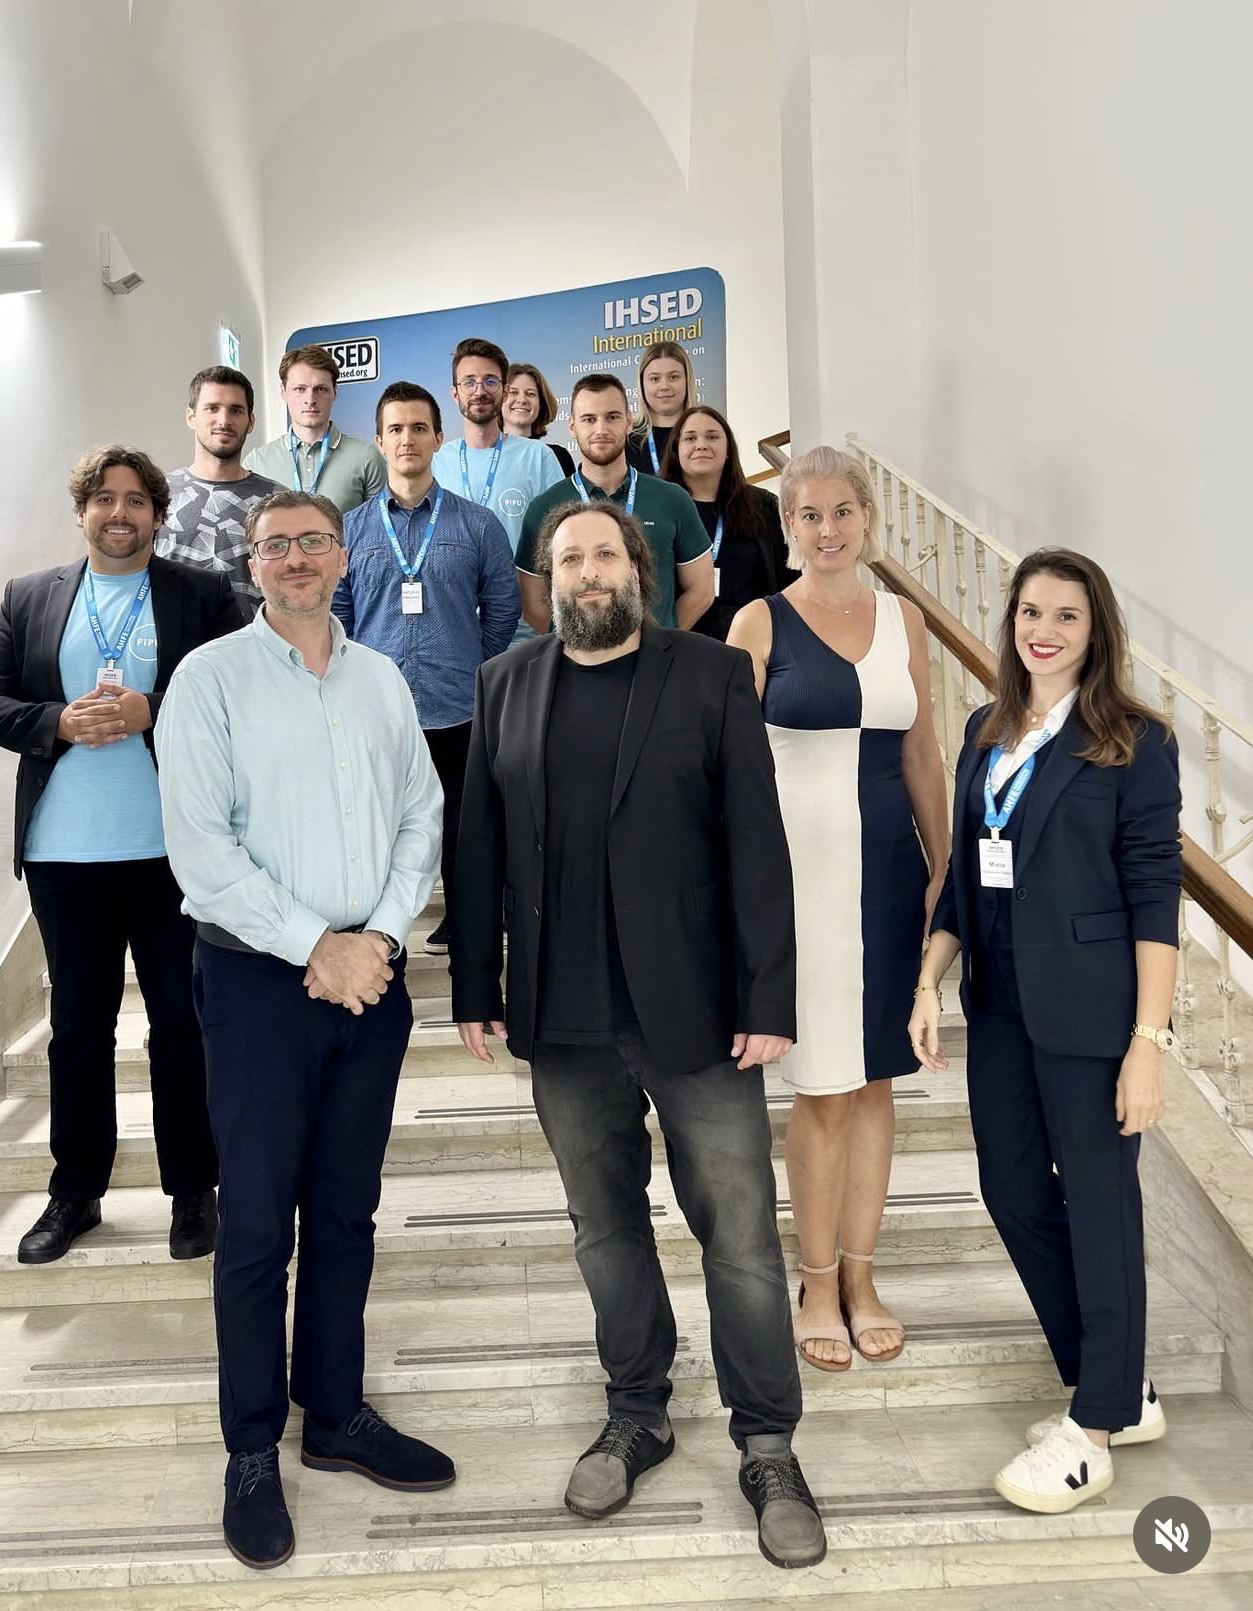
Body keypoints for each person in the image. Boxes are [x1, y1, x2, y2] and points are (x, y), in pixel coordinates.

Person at [453, 500, 826, 1571]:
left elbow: (757, 840)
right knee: (604, 1227)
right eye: (568, 557)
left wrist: (768, 996)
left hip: (696, 1013)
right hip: (563, 1018)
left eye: (604, 553)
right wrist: (476, 982)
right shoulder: (504, 683)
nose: (587, 571)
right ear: (547, 579)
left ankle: (768, 1443)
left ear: (639, 568)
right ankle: (638, 1411)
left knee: (740, 1236)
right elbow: (476, 845)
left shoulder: (711, 675)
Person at [157, 488, 451, 1570]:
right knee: (254, 1227)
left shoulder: (380, 681)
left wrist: (378, 936)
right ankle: (250, 1450)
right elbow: (202, 851)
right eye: (274, 545)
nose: (294, 559)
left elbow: (421, 815)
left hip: (369, 983)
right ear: (253, 564)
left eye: (312, 542)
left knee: (344, 1211)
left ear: (342, 558)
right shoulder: (208, 681)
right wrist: (313, 945)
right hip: (257, 986)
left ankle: (333, 1413)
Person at [908, 546, 1180, 1516]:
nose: (1045, 630)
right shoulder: (985, 729)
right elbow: (963, 877)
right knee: (1014, 1189)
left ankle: (1094, 1430)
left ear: (1095, 629)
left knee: (1101, 1204)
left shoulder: (1135, 742)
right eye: (1031, 612)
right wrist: (929, 980)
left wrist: (1148, 1042)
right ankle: (1117, 1383)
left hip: (1095, 1014)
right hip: (1003, 1005)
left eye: (1067, 615)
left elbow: (1155, 899)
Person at [0, 445, 240, 1265]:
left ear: (158, 514)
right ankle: (75, 1192)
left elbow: (240, 687)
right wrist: (56, 721)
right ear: (81, 511)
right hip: (64, 853)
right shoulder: (30, 596)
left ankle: (193, 1190)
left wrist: (153, 707)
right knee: (78, 1029)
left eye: (135, 500)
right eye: (103, 499)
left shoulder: (199, 592)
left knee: (180, 1024)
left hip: (170, 851)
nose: (119, 513)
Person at [729, 446, 949, 1375]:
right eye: (809, 514)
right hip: (798, 884)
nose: (828, 529)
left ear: (867, 518)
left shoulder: (906, 619)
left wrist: (943, 870)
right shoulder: (758, 621)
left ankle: (862, 1275)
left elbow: (921, 753)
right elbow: (729, 768)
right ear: (788, 526)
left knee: (875, 1085)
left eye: (843, 511)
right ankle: (816, 1283)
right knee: (822, 1090)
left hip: (890, 878)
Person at [334, 381, 519, 958]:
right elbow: (339, 614)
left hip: (458, 710)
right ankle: (376, 942)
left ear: (439, 438)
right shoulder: (351, 529)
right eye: (396, 429)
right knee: (377, 833)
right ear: (379, 441)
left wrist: (474, 664)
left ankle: (466, 930)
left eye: (419, 428)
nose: (407, 439)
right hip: (378, 714)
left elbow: (504, 607)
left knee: (463, 830)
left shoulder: (478, 524)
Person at [514, 373, 713, 634]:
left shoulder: (672, 499)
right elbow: (532, 604)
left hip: (656, 656)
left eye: (612, 417)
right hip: (577, 657)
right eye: (589, 419)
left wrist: (660, 641)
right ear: (572, 427)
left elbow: (702, 589)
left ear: (629, 422)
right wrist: (576, 644)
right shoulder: (544, 508)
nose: (601, 430)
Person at [660, 404, 797, 640]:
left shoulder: (764, 506)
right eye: (690, 438)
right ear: (676, 450)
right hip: (681, 644)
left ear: (728, 450)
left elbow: (790, 577)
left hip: (751, 643)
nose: (701, 445)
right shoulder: (661, 509)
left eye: (712, 437)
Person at [156, 365, 280, 615]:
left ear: (251, 421)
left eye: (235, 410)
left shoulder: (277, 501)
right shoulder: (157, 494)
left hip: (254, 639)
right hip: (173, 638)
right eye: (212, 408)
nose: (224, 420)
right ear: (191, 417)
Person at [432, 337, 564, 558]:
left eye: (490, 381)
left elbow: (563, 535)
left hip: (518, 581)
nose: (479, 391)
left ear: (504, 391)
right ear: (455, 394)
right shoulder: (436, 462)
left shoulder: (538, 457)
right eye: (469, 382)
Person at [244, 344, 386, 514]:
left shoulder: (367, 458)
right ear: (283, 392)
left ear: (334, 392)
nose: (310, 399)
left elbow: (379, 526)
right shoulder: (257, 462)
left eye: (320, 389)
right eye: (300, 389)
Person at [626, 340, 696, 476]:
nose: (664, 386)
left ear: (687, 380)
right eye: (655, 379)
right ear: (642, 384)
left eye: (673, 377)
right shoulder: (626, 439)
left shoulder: (706, 434)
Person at [502, 361, 576, 477]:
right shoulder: (482, 455)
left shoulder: (558, 456)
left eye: (530, 394)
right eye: (513, 392)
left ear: (541, 404)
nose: (522, 400)